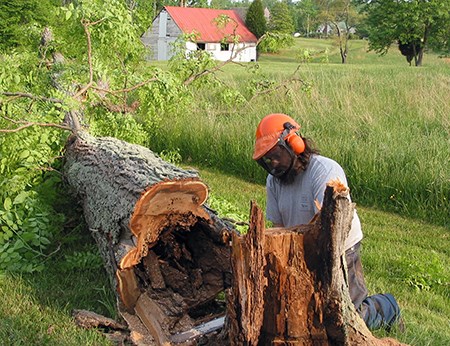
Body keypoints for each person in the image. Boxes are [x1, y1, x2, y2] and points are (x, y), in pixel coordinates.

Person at [252, 113, 403, 331]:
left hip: (340, 248)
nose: (273, 163)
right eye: (268, 159)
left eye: (275, 155)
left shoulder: (324, 171)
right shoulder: (273, 182)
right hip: (302, 250)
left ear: (293, 144)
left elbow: (330, 227)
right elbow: (277, 228)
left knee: (347, 318)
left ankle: (388, 307)